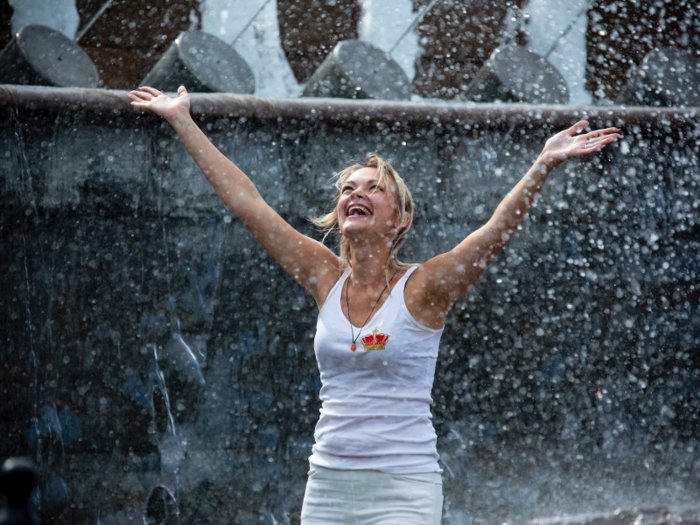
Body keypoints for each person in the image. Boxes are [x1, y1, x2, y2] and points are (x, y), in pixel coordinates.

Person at [128, 85, 620, 525]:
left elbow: (493, 232)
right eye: (347, 189)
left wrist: (543, 163)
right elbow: (247, 204)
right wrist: (181, 119)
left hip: (403, 487)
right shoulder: (324, 276)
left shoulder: (425, 287)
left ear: (401, 217)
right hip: (327, 485)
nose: (354, 194)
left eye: (372, 188)